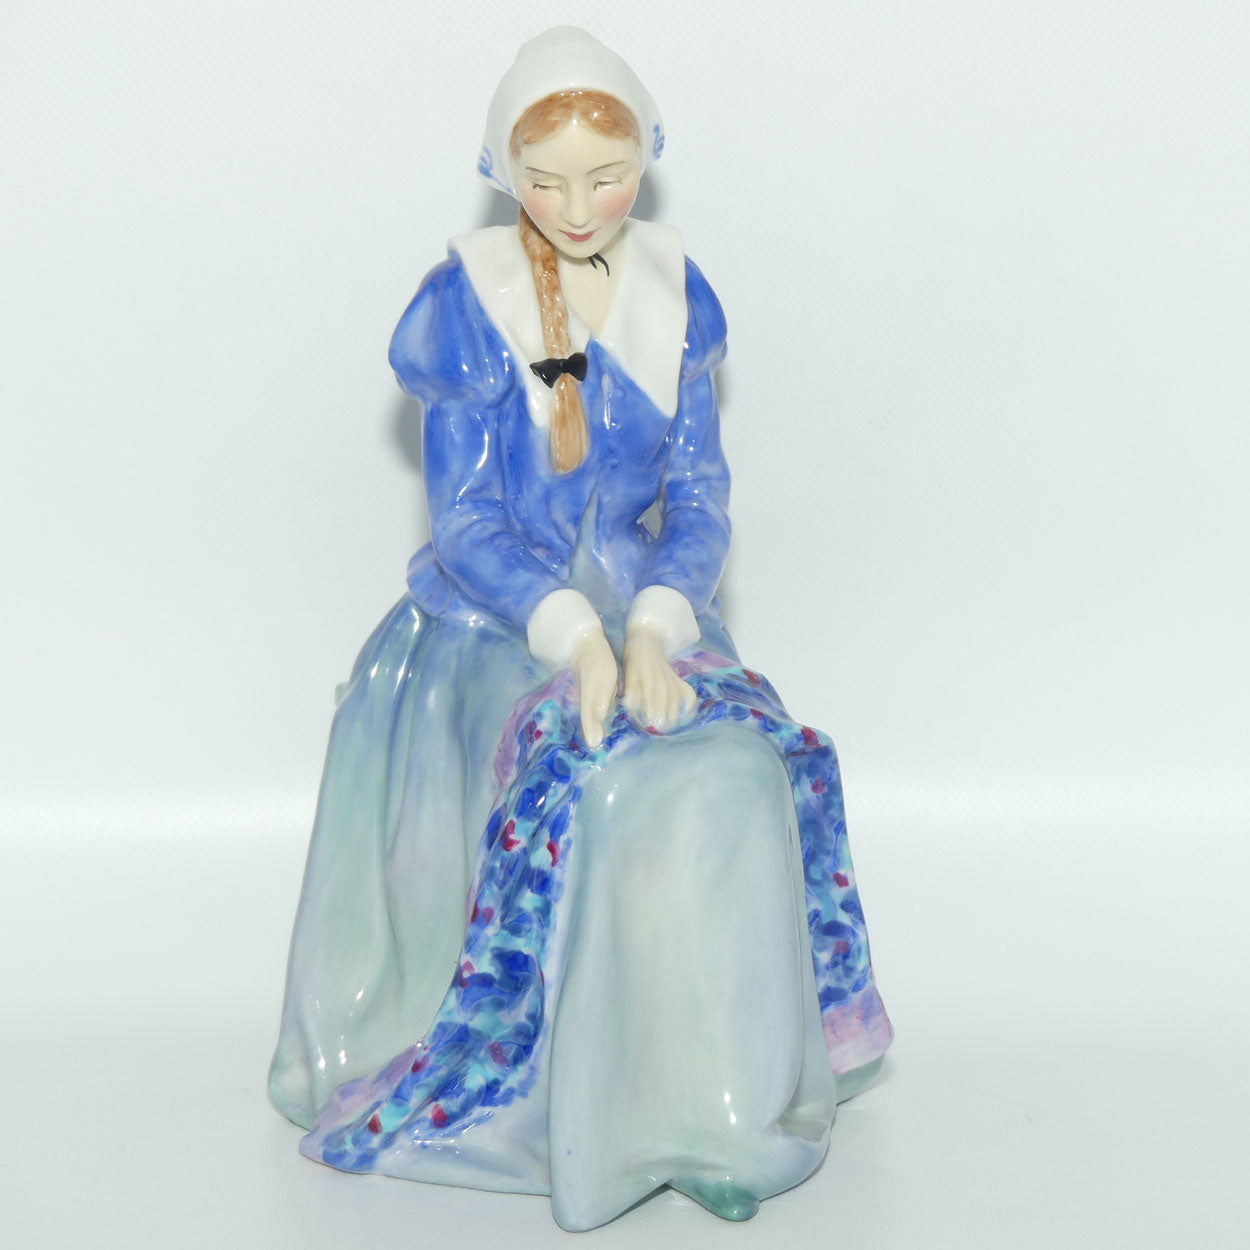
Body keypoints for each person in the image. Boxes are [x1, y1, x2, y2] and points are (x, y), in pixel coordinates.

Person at [269, 26, 892, 1232]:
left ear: (645, 159)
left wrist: (654, 625)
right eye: (543, 179)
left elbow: (698, 497)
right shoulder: (466, 308)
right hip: (493, 619)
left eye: (602, 177)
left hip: (639, 607)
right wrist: (576, 636)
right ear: (502, 171)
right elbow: (465, 523)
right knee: (590, 776)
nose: (572, 205)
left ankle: (717, 1091)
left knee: (749, 758)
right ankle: (589, 1098)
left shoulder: (673, 295)